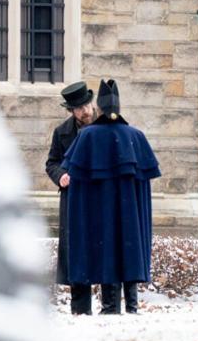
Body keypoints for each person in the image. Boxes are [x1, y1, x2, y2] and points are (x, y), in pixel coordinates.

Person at [61, 79, 160, 315]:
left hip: (100, 213)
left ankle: (110, 307)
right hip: (127, 214)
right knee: (128, 244)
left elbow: (73, 172)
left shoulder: (88, 137)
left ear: (99, 107)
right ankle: (131, 307)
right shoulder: (136, 136)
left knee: (107, 247)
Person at [46, 81, 97, 315]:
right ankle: (81, 310)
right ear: (71, 110)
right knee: (77, 251)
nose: (85, 111)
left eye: (87, 105)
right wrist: (61, 176)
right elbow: (52, 163)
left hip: (100, 198)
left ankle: (111, 308)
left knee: (105, 250)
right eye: (79, 108)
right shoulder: (62, 132)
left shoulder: (107, 126)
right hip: (74, 200)